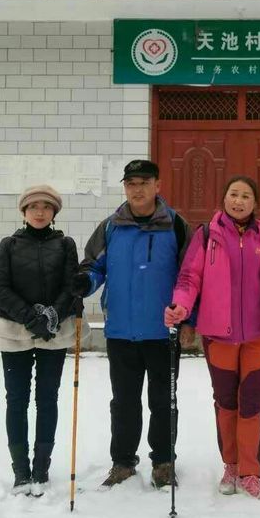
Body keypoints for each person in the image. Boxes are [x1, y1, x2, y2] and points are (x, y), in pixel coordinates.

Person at [164, 175, 260, 500]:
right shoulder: (206, 235)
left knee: (252, 406)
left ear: (255, 204)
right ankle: (231, 464)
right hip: (218, 336)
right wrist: (180, 307)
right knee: (226, 404)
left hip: (258, 335)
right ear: (224, 198)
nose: (238, 201)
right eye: (233, 194)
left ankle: (250, 472)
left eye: (245, 196)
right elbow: (189, 278)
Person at [73, 159, 191, 491]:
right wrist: (85, 282)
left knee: (163, 400)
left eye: (143, 182)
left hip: (162, 331)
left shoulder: (177, 226)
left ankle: (164, 462)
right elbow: (93, 266)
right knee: (123, 401)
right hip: (121, 331)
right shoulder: (111, 227)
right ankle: (123, 462)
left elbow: (191, 277)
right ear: (124, 187)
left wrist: (188, 320)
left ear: (158, 185)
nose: (137, 189)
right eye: (130, 183)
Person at [0, 184, 82, 496]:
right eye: (34, 206)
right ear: (24, 211)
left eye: (46, 207)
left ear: (54, 212)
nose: (40, 212)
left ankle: (41, 467)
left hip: (55, 331)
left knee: (47, 399)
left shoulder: (65, 244)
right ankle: (20, 470)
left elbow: (72, 286)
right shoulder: (9, 245)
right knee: (16, 399)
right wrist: (30, 318)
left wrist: (51, 315)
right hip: (15, 329)